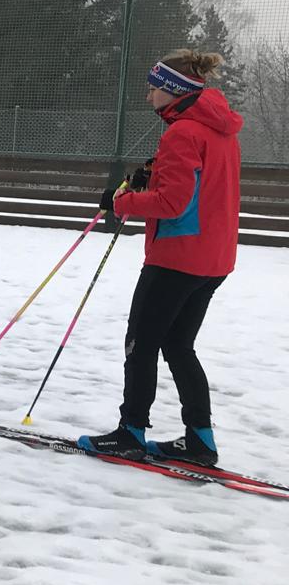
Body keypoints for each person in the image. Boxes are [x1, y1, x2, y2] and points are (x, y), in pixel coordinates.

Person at [79, 50, 242, 466]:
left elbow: (172, 203)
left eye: (153, 87)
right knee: (178, 345)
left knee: (141, 342)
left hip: (177, 258)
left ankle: (130, 432)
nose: (148, 94)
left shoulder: (182, 132)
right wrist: (151, 178)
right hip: (213, 259)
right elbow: (196, 189)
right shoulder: (219, 129)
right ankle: (200, 440)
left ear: (173, 89)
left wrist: (122, 202)